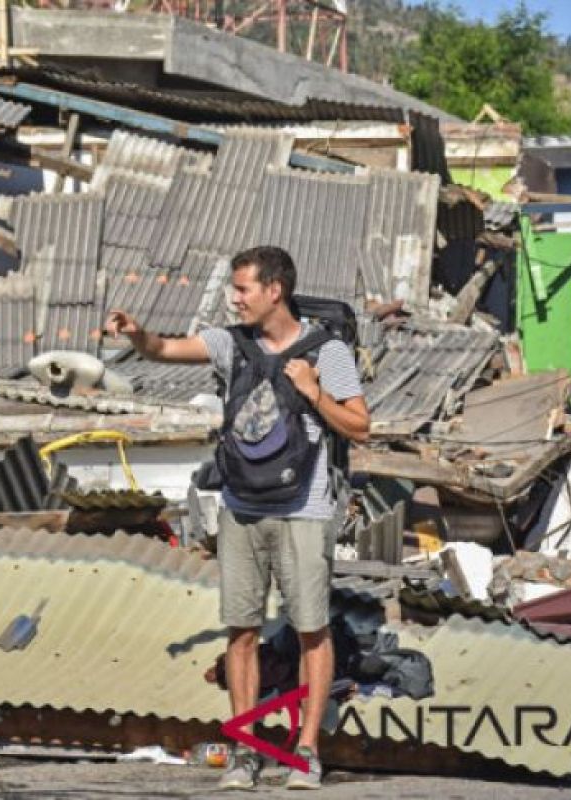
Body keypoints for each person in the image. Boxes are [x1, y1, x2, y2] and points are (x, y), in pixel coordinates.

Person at [106, 246, 369, 790]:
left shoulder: (329, 352)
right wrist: (136, 334)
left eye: (244, 288)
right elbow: (163, 349)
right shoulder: (232, 343)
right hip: (243, 508)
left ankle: (306, 751)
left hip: (306, 508)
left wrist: (313, 391)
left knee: (311, 631)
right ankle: (245, 751)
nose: (235, 297)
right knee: (242, 630)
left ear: (275, 290)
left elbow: (361, 427)